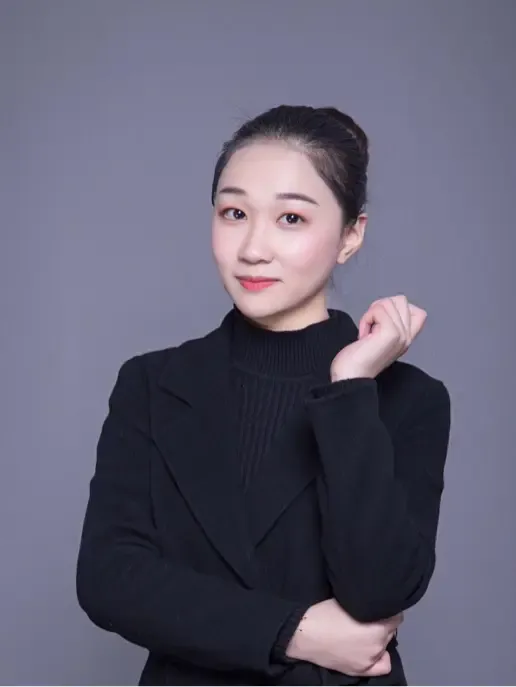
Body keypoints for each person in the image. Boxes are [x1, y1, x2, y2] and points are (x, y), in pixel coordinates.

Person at [76, 105, 451, 686]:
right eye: (234, 213)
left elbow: (379, 589)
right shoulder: (151, 383)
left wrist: (351, 386)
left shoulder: (407, 398)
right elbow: (109, 578)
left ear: (351, 236)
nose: (253, 247)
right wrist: (294, 631)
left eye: (291, 219)